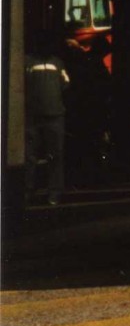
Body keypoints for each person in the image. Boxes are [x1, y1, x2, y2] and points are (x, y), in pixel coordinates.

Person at [24, 37, 69, 205]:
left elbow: (65, 84)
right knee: (30, 156)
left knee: (55, 155)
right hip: (34, 116)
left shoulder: (57, 63)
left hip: (54, 116)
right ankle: (29, 190)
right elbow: (64, 85)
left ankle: (54, 192)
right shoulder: (27, 62)